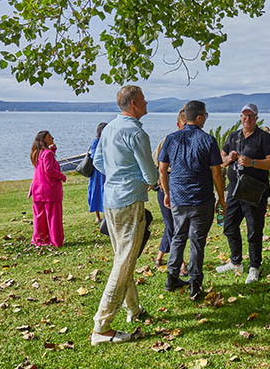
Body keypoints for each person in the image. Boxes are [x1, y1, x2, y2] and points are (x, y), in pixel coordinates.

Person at [91, 85, 157, 345]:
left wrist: (117, 174)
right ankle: (102, 325)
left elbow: (97, 161)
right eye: (143, 99)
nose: (146, 102)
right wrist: (141, 180)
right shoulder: (136, 133)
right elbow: (150, 174)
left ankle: (134, 309)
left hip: (111, 198)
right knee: (125, 261)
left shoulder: (109, 128)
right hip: (129, 200)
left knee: (123, 257)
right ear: (133, 104)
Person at [158, 100, 226, 300]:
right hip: (201, 198)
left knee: (178, 236)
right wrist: (221, 197)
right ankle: (195, 285)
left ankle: (172, 278)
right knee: (197, 241)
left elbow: (162, 169)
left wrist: (167, 192)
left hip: (179, 197)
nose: (206, 118)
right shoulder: (208, 140)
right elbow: (216, 173)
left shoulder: (171, 139)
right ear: (198, 117)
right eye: (205, 114)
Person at [217, 104, 270, 284]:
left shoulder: (264, 138)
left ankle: (254, 266)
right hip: (235, 190)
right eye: (244, 116)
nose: (247, 119)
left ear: (256, 118)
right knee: (229, 226)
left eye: (250, 116)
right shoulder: (233, 136)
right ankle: (236, 262)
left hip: (254, 190)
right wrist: (229, 159)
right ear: (240, 117)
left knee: (254, 229)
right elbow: (221, 159)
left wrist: (252, 162)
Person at [151, 109, 188, 275]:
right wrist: (157, 179)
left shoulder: (195, 141)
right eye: (185, 124)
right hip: (167, 185)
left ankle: (159, 256)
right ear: (179, 124)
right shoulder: (168, 140)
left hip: (184, 188)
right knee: (172, 224)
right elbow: (154, 163)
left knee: (175, 224)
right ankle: (180, 263)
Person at [28, 130, 66, 247]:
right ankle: (55, 240)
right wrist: (61, 176)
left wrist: (53, 150)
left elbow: (43, 166)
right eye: (50, 137)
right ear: (44, 140)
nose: (53, 138)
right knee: (53, 216)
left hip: (37, 189)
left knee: (40, 217)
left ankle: (40, 239)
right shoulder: (47, 153)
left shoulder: (37, 153)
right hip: (49, 189)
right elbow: (48, 170)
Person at [86, 123, 108, 224]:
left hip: (106, 170)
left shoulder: (109, 142)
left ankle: (106, 214)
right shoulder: (96, 142)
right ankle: (97, 216)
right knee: (96, 192)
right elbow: (94, 156)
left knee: (106, 192)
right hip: (97, 173)